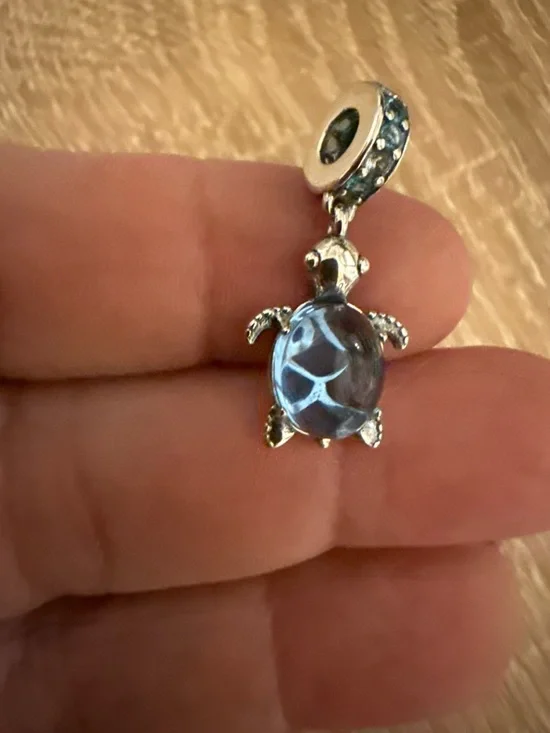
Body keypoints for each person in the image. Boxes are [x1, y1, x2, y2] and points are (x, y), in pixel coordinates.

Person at [0, 144, 548, 733]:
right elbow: (318, 329)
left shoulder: (333, 322)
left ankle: (329, 418)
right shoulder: (323, 321)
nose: (333, 272)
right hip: (319, 398)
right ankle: (317, 418)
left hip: (335, 398)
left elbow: (353, 331)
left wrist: (340, 334)